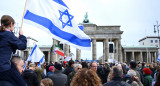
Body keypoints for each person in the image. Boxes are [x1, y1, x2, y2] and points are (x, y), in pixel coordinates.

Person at [0, 15, 27, 86]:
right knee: (22, 84)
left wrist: (15, 41)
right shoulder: (9, 35)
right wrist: (22, 36)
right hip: (4, 68)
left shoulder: (3, 34)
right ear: (11, 24)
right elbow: (23, 46)